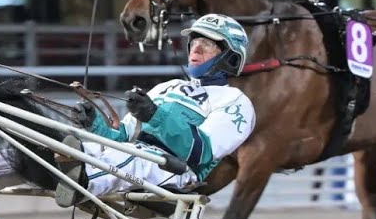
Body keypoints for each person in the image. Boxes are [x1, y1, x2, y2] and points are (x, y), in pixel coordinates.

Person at [50, 13, 258, 207]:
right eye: (194, 42)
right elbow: (122, 136)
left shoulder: (236, 103)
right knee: (84, 149)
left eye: (207, 44)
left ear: (230, 57)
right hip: (136, 153)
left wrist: (155, 115)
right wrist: (93, 123)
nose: (196, 49)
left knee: (133, 159)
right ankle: (53, 167)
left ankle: (83, 182)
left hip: (175, 168)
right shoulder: (169, 86)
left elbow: (201, 151)